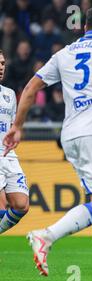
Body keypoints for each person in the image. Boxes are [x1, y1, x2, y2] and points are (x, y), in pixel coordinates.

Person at [2, 6, 92, 281]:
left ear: (84, 26)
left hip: (71, 135)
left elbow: (30, 88)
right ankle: (47, 236)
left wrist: (17, 126)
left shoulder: (65, 52)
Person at [0, 49, 30, 235]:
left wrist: (16, 133)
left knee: (21, 205)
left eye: (2, 63)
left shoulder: (9, 95)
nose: (0, 67)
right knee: (1, 208)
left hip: (8, 155)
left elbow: (12, 126)